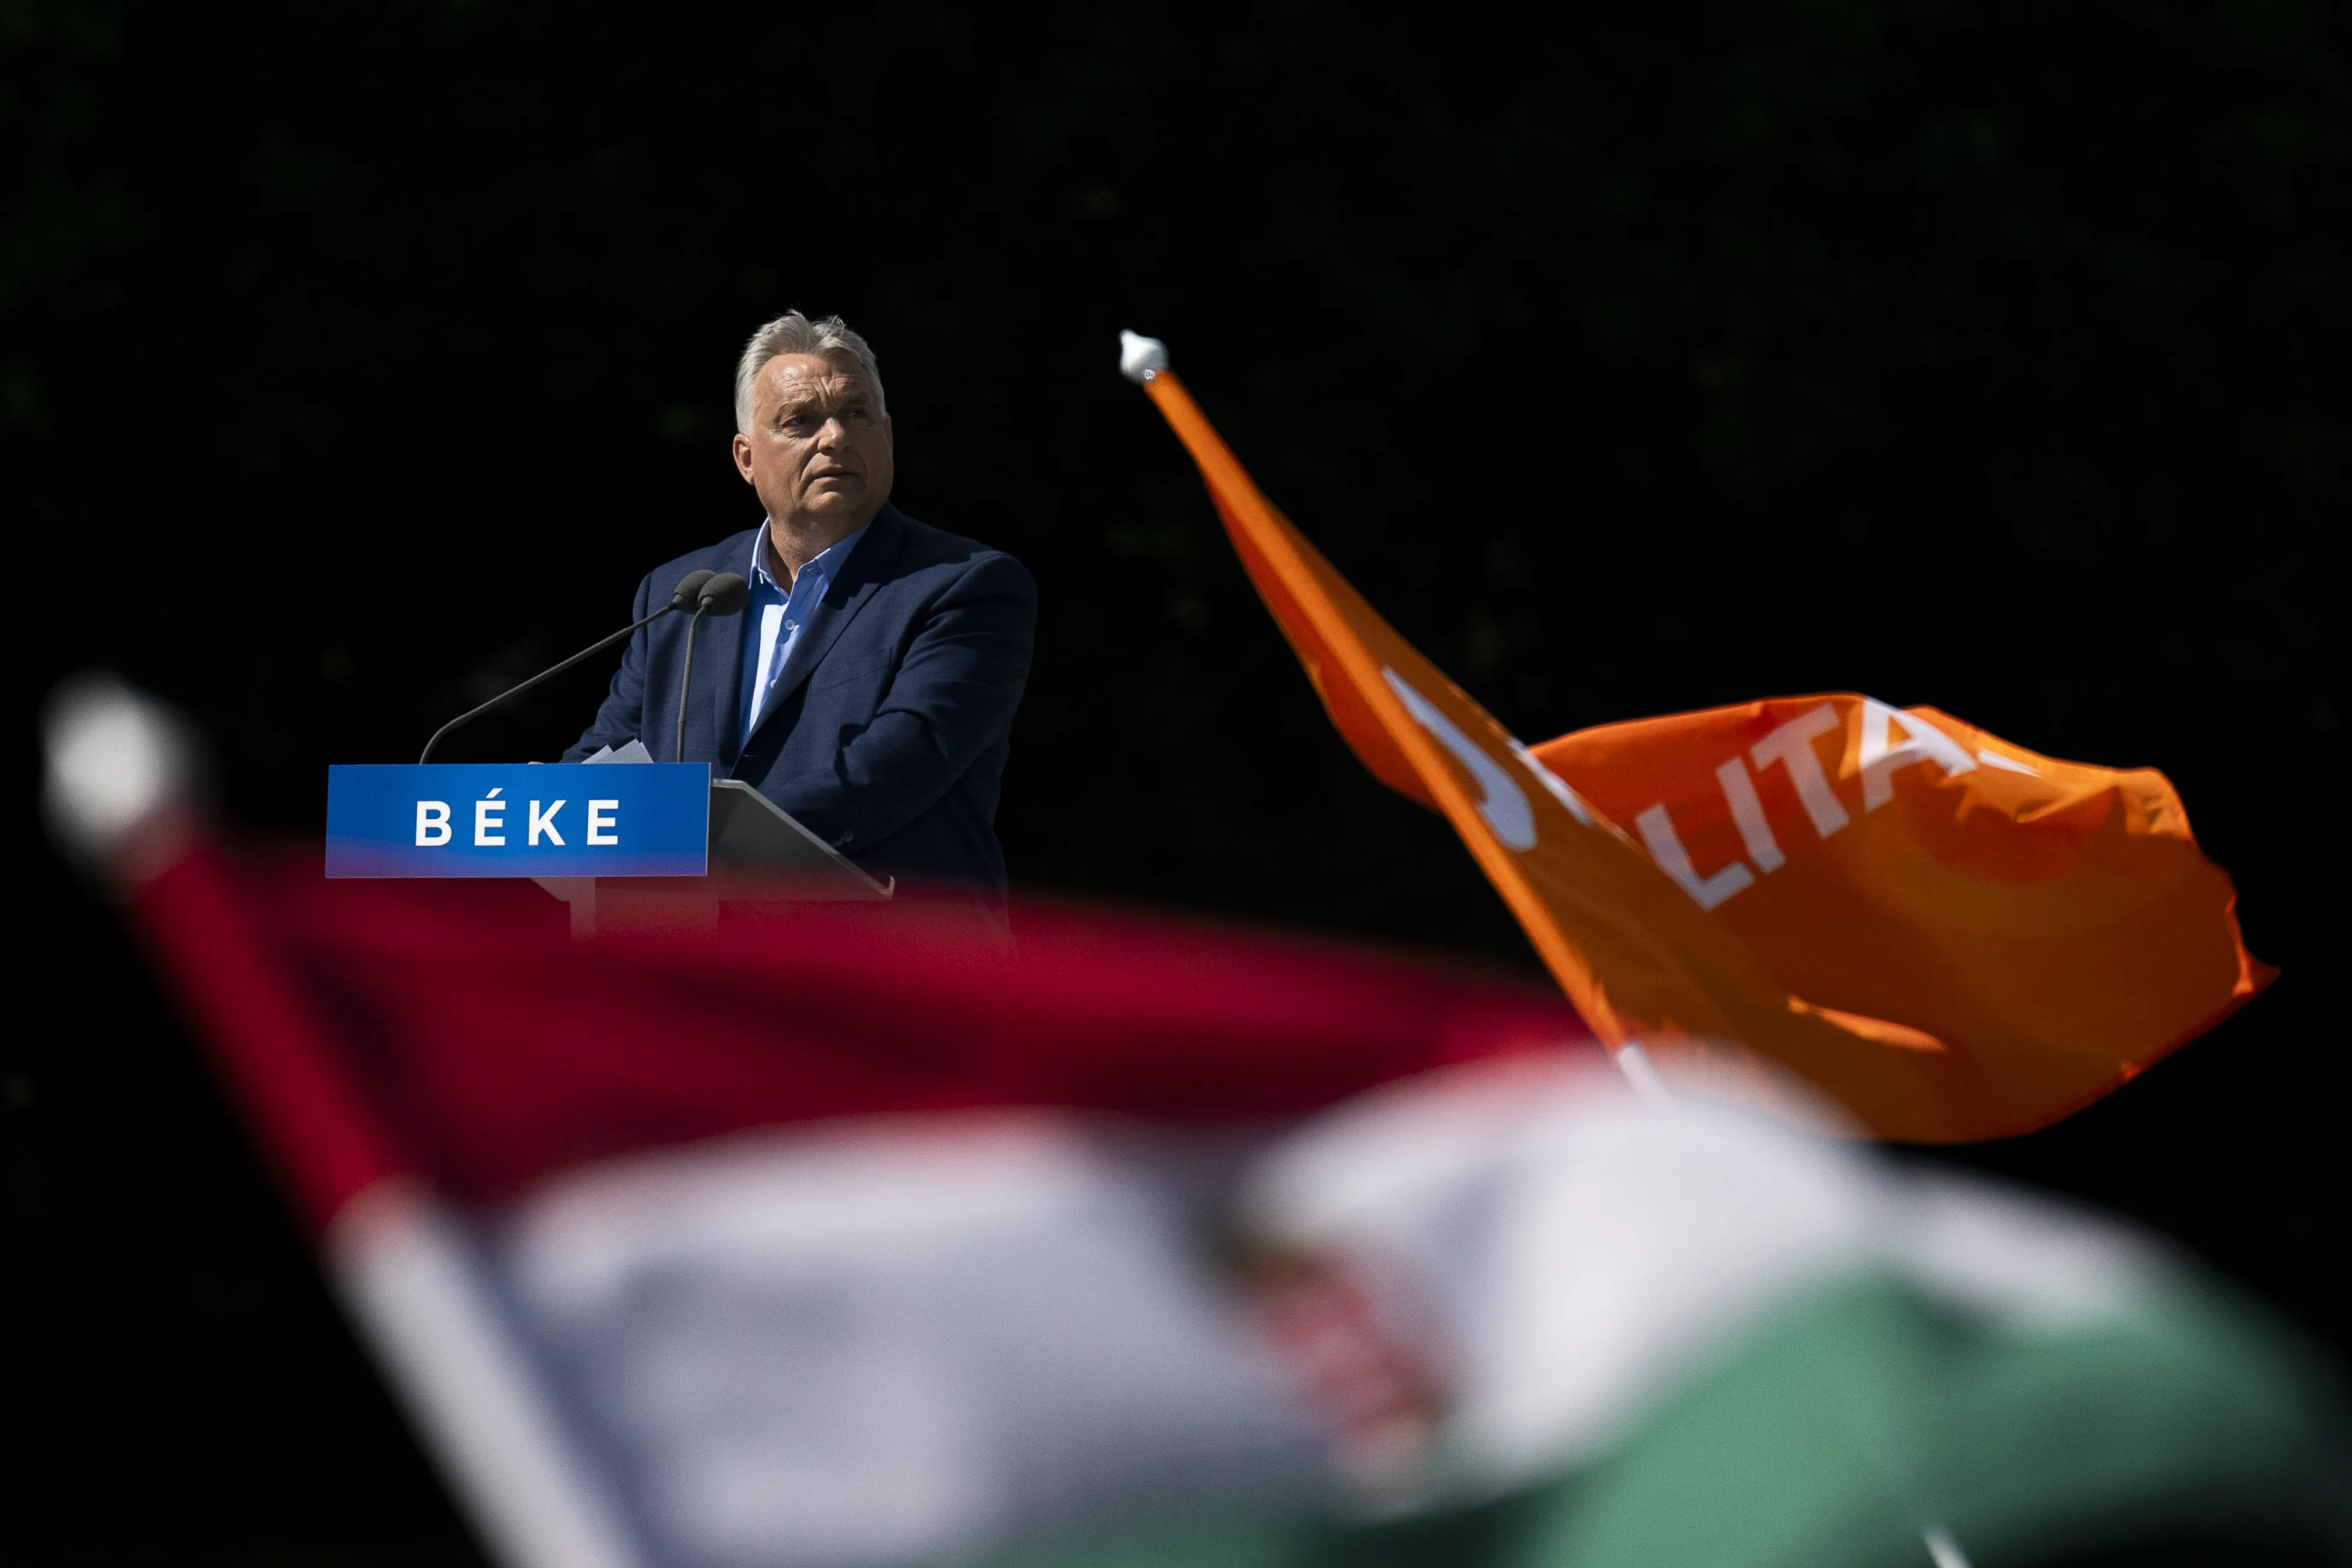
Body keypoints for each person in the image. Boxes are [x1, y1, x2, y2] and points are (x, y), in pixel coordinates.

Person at [566, 312, 1036, 897]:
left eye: (856, 414)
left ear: (887, 437)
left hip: (885, 944)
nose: (835, 437)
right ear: (745, 458)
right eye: (800, 421)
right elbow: (609, 751)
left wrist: (699, 841)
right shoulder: (681, 594)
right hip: (686, 945)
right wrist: (549, 810)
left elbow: (898, 763)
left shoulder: (966, 586)